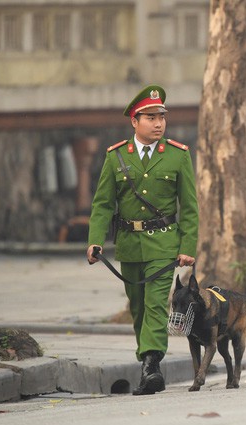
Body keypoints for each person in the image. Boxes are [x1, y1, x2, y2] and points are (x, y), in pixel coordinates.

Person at [86, 85, 199, 395]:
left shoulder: (178, 156)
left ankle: (151, 364)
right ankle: (148, 360)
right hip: (129, 243)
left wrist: (187, 248)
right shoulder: (116, 156)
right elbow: (103, 204)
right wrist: (95, 241)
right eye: (151, 117)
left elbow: (189, 207)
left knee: (154, 304)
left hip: (164, 243)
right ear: (134, 121)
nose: (159, 123)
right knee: (138, 306)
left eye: (162, 117)